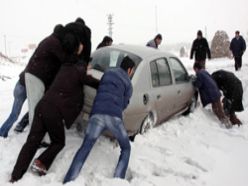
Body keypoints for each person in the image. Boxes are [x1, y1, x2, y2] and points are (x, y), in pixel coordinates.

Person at [10, 25, 99, 182]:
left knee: (31, 142)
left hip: (42, 106)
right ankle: (40, 163)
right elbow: (92, 81)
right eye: (80, 45)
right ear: (76, 49)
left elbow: (70, 64)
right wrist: (107, 80)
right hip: (54, 111)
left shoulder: (63, 66)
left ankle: (15, 176)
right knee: (58, 142)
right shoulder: (78, 69)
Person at [63, 56, 135, 184]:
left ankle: (69, 180)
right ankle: (118, 180)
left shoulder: (107, 73)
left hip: (96, 114)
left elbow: (101, 89)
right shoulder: (128, 83)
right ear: (129, 70)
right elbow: (123, 105)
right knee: (126, 148)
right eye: (132, 71)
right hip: (114, 118)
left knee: (85, 147)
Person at [16, 19, 91, 132]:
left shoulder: (56, 37)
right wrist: (81, 60)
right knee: (38, 106)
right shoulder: (57, 42)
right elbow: (66, 59)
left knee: (40, 104)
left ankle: (29, 128)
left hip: (46, 75)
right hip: (41, 75)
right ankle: (34, 134)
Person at [193, 63, 232, 129]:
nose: (194, 71)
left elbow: (198, 84)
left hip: (212, 94)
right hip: (215, 91)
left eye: (194, 69)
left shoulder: (199, 74)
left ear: (196, 68)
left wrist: (193, 83)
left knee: (218, 110)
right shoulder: (204, 72)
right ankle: (222, 122)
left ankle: (227, 124)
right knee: (216, 109)